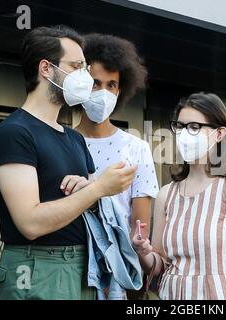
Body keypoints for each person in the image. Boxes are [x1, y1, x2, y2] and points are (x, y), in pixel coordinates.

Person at [0, 25, 136, 300]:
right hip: (37, 269)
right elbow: (30, 223)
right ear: (46, 68)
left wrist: (89, 192)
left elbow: (89, 208)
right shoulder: (15, 133)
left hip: (81, 265)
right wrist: (97, 188)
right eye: (76, 66)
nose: (85, 77)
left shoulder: (74, 138)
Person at [133, 92, 226, 300]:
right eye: (180, 126)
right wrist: (143, 252)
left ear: (220, 133)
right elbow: (159, 264)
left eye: (194, 127)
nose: (185, 134)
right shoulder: (166, 194)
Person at [75, 33, 158, 235]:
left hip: (118, 262)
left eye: (111, 85)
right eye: (95, 83)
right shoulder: (62, 140)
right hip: (69, 260)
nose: (103, 92)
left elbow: (139, 229)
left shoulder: (138, 148)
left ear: (120, 90)